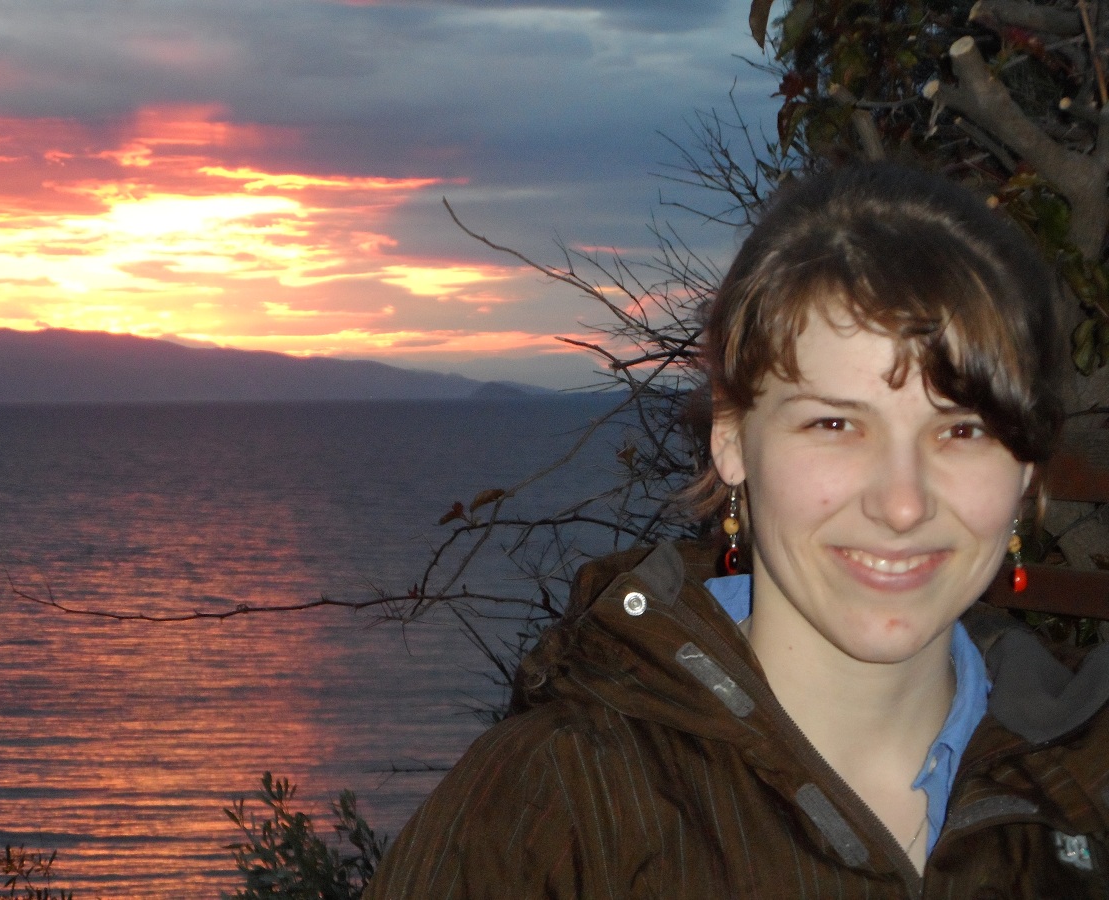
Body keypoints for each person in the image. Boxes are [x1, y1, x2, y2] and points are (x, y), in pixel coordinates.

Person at [364, 162, 1109, 898]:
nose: (903, 504)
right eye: (835, 424)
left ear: (1026, 469)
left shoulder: (1087, 781)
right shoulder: (555, 811)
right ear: (731, 438)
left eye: (964, 431)